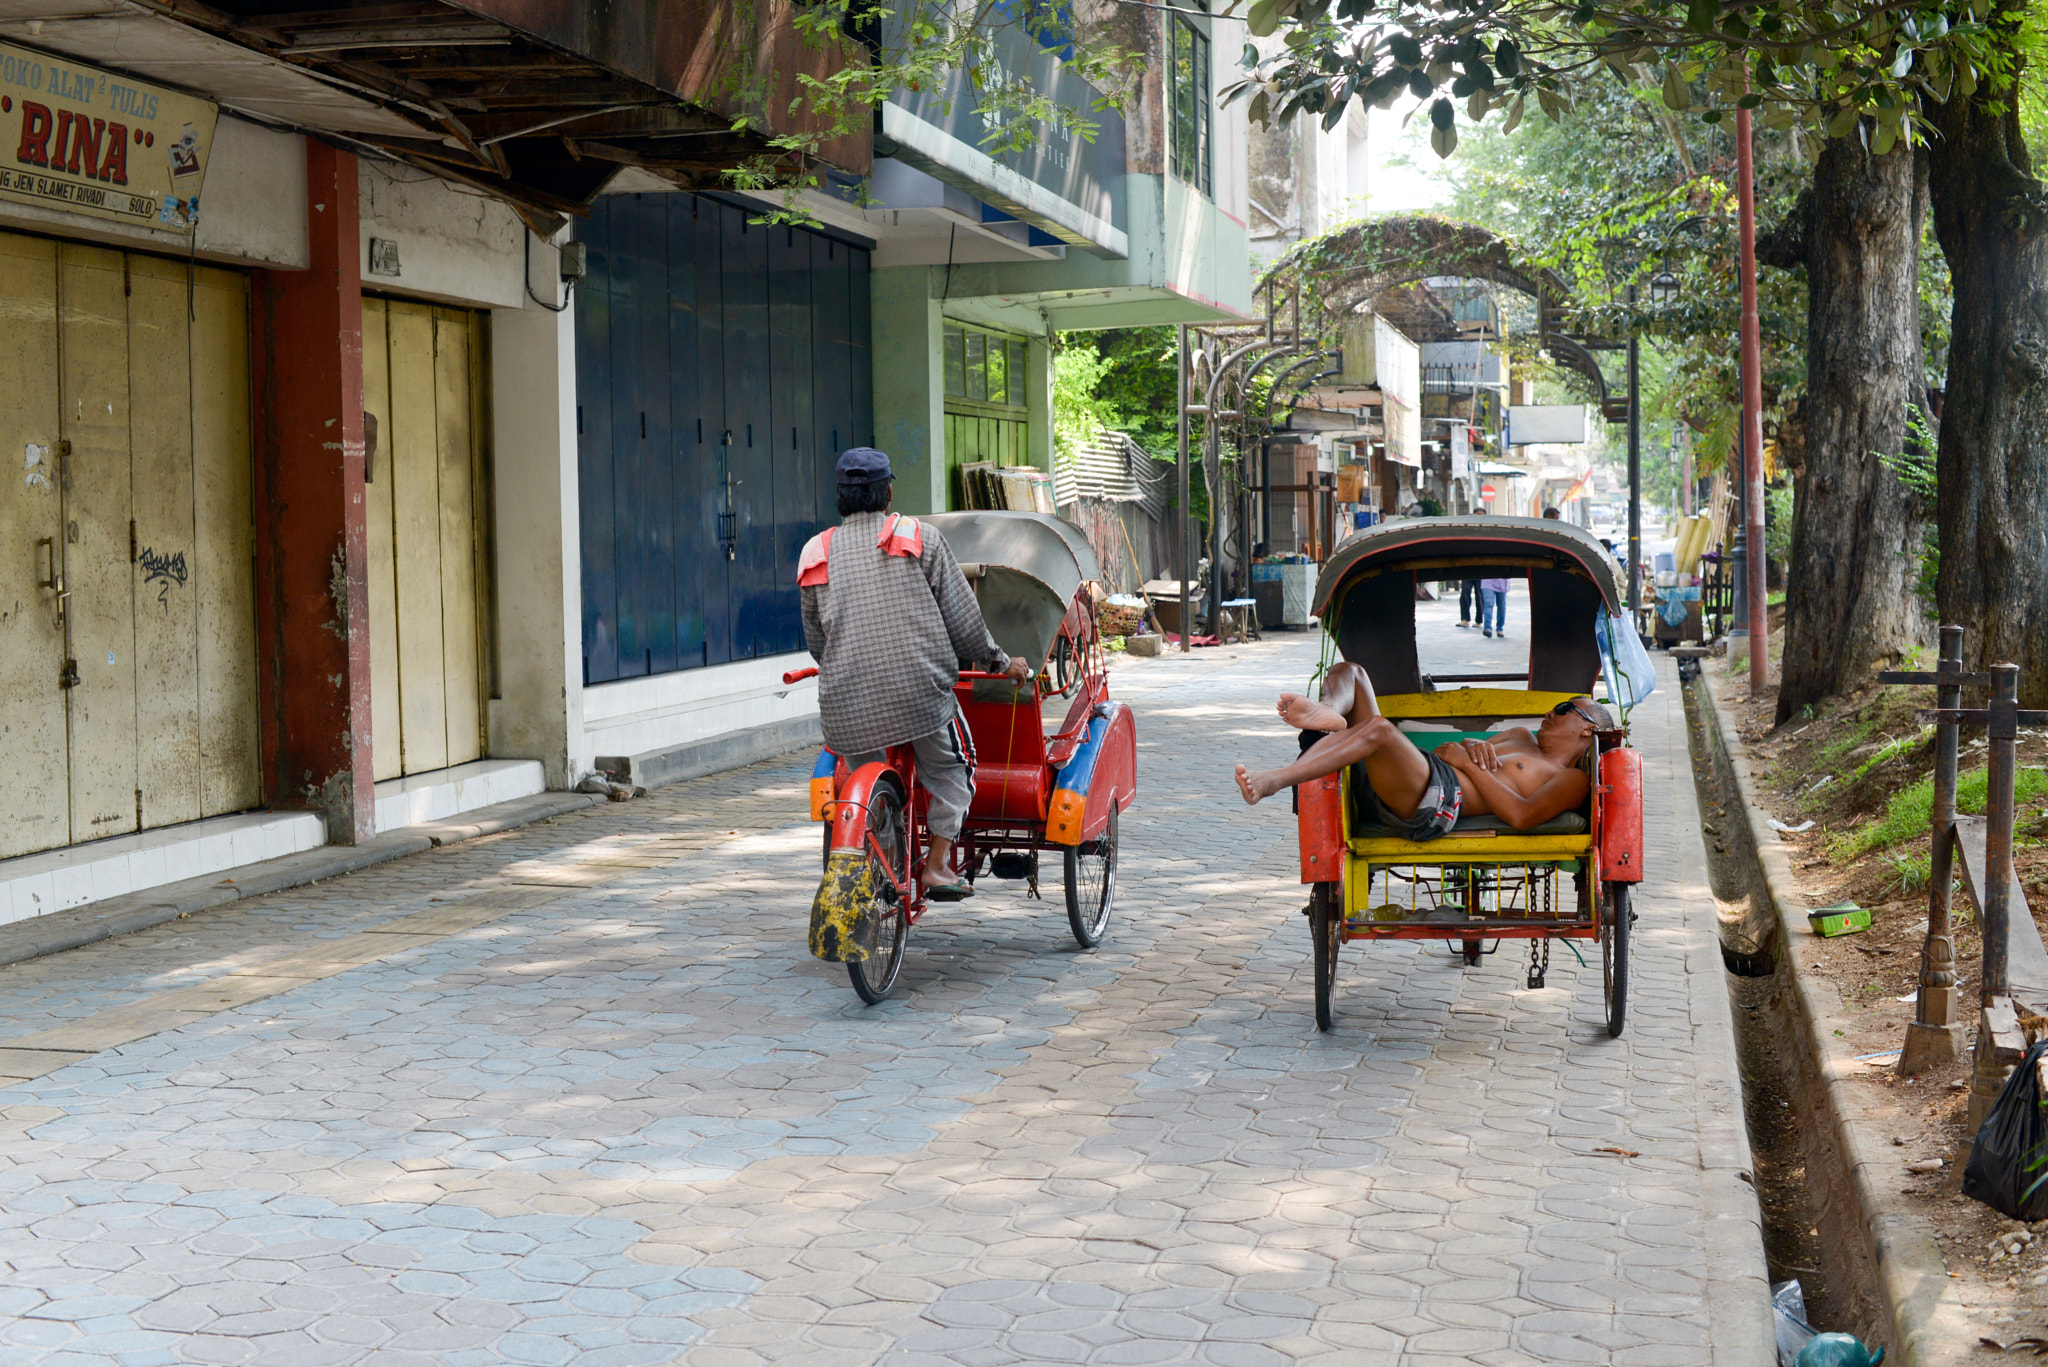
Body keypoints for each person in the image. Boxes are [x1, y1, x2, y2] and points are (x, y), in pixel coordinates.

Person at [799, 447, 1032, 900]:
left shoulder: (816, 550)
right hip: (919, 698)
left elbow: (817, 642)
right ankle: (938, 866)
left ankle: (881, 854)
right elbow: (964, 623)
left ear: (840, 498)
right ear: (888, 493)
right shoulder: (916, 536)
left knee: (862, 775)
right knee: (954, 772)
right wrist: (1000, 662)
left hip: (846, 707)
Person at [1233, 662, 1612, 838]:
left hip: (1440, 802)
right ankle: (1331, 713)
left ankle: (1276, 780)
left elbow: (1523, 815)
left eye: (1563, 709)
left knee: (1380, 729)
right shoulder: (1519, 735)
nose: (1550, 711)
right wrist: (1472, 743)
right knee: (1354, 672)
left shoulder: (1571, 778)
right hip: (1427, 770)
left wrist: (1470, 763)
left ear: (1587, 728)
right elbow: (1453, 748)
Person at [1479, 573, 1509, 638]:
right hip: (1487, 580)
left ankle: (1499, 628)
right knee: (1488, 604)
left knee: (1502, 607)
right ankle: (1487, 628)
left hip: (1502, 580)